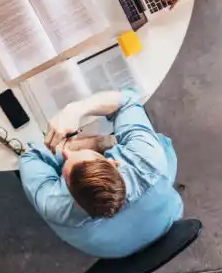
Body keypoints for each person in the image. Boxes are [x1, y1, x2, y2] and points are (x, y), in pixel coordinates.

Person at [19, 90, 182, 259]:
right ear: (113, 163)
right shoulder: (149, 162)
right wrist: (80, 118)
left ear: (69, 193)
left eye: (67, 161)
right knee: (158, 145)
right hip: (165, 220)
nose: (68, 155)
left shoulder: (54, 205)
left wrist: (77, 145)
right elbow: (127, 100)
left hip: (116, 252)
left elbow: (30, 156)